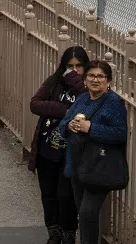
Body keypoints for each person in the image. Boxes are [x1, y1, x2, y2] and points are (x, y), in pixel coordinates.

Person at [59, 60, 128, 244]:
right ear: (85, 79)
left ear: (109, 81)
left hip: (99, 167)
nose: (95, 80)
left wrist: (90, 128)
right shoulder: (82, 99)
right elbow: (63, 124)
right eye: (91, 75)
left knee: (87, 212)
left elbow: (120, 134)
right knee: (84, 214)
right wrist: (69, 125)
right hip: (77, 164)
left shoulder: (113, 102)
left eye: (100, 76)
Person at [29, 47, 89, 244]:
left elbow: (87, 106)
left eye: (78, 66)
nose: (74, 71)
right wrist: (66, 111)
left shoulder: (90, 86)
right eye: (69, 66)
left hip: (71, 151)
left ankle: (69, 232)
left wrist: (75, 82)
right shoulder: (54, 82)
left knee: (66, 194)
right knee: (48, 193)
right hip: (47, 147)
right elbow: (35, 104)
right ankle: (53, 231)